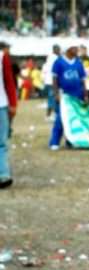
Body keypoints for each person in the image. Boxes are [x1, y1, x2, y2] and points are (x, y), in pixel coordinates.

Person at [49, 45, 87, 150]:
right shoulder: (59, 62)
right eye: (75, 48)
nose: (77, 51)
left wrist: (86, 95)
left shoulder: (79, 63)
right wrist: (56, 94)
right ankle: (54, 142)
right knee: (60, 119)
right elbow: (54, 79)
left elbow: (83, 80)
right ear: (68, 49)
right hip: (64, 95)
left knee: (75, 120)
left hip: (77, 95)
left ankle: (70, 141)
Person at [0, 41, 18, 189]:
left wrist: (12, 104)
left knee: (2, 142)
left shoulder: (2, 57)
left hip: (1, 104)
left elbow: (9, 81)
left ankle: (3, 174)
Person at [42, 44, 60, 123]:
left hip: (48, 81)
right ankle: (51, 115)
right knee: (54, 98)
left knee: (51, 98)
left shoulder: (49, 57)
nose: (59, 51)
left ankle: (50, 115)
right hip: (53, 81)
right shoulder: (55, 58)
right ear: (55, 50)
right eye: (58, 50)